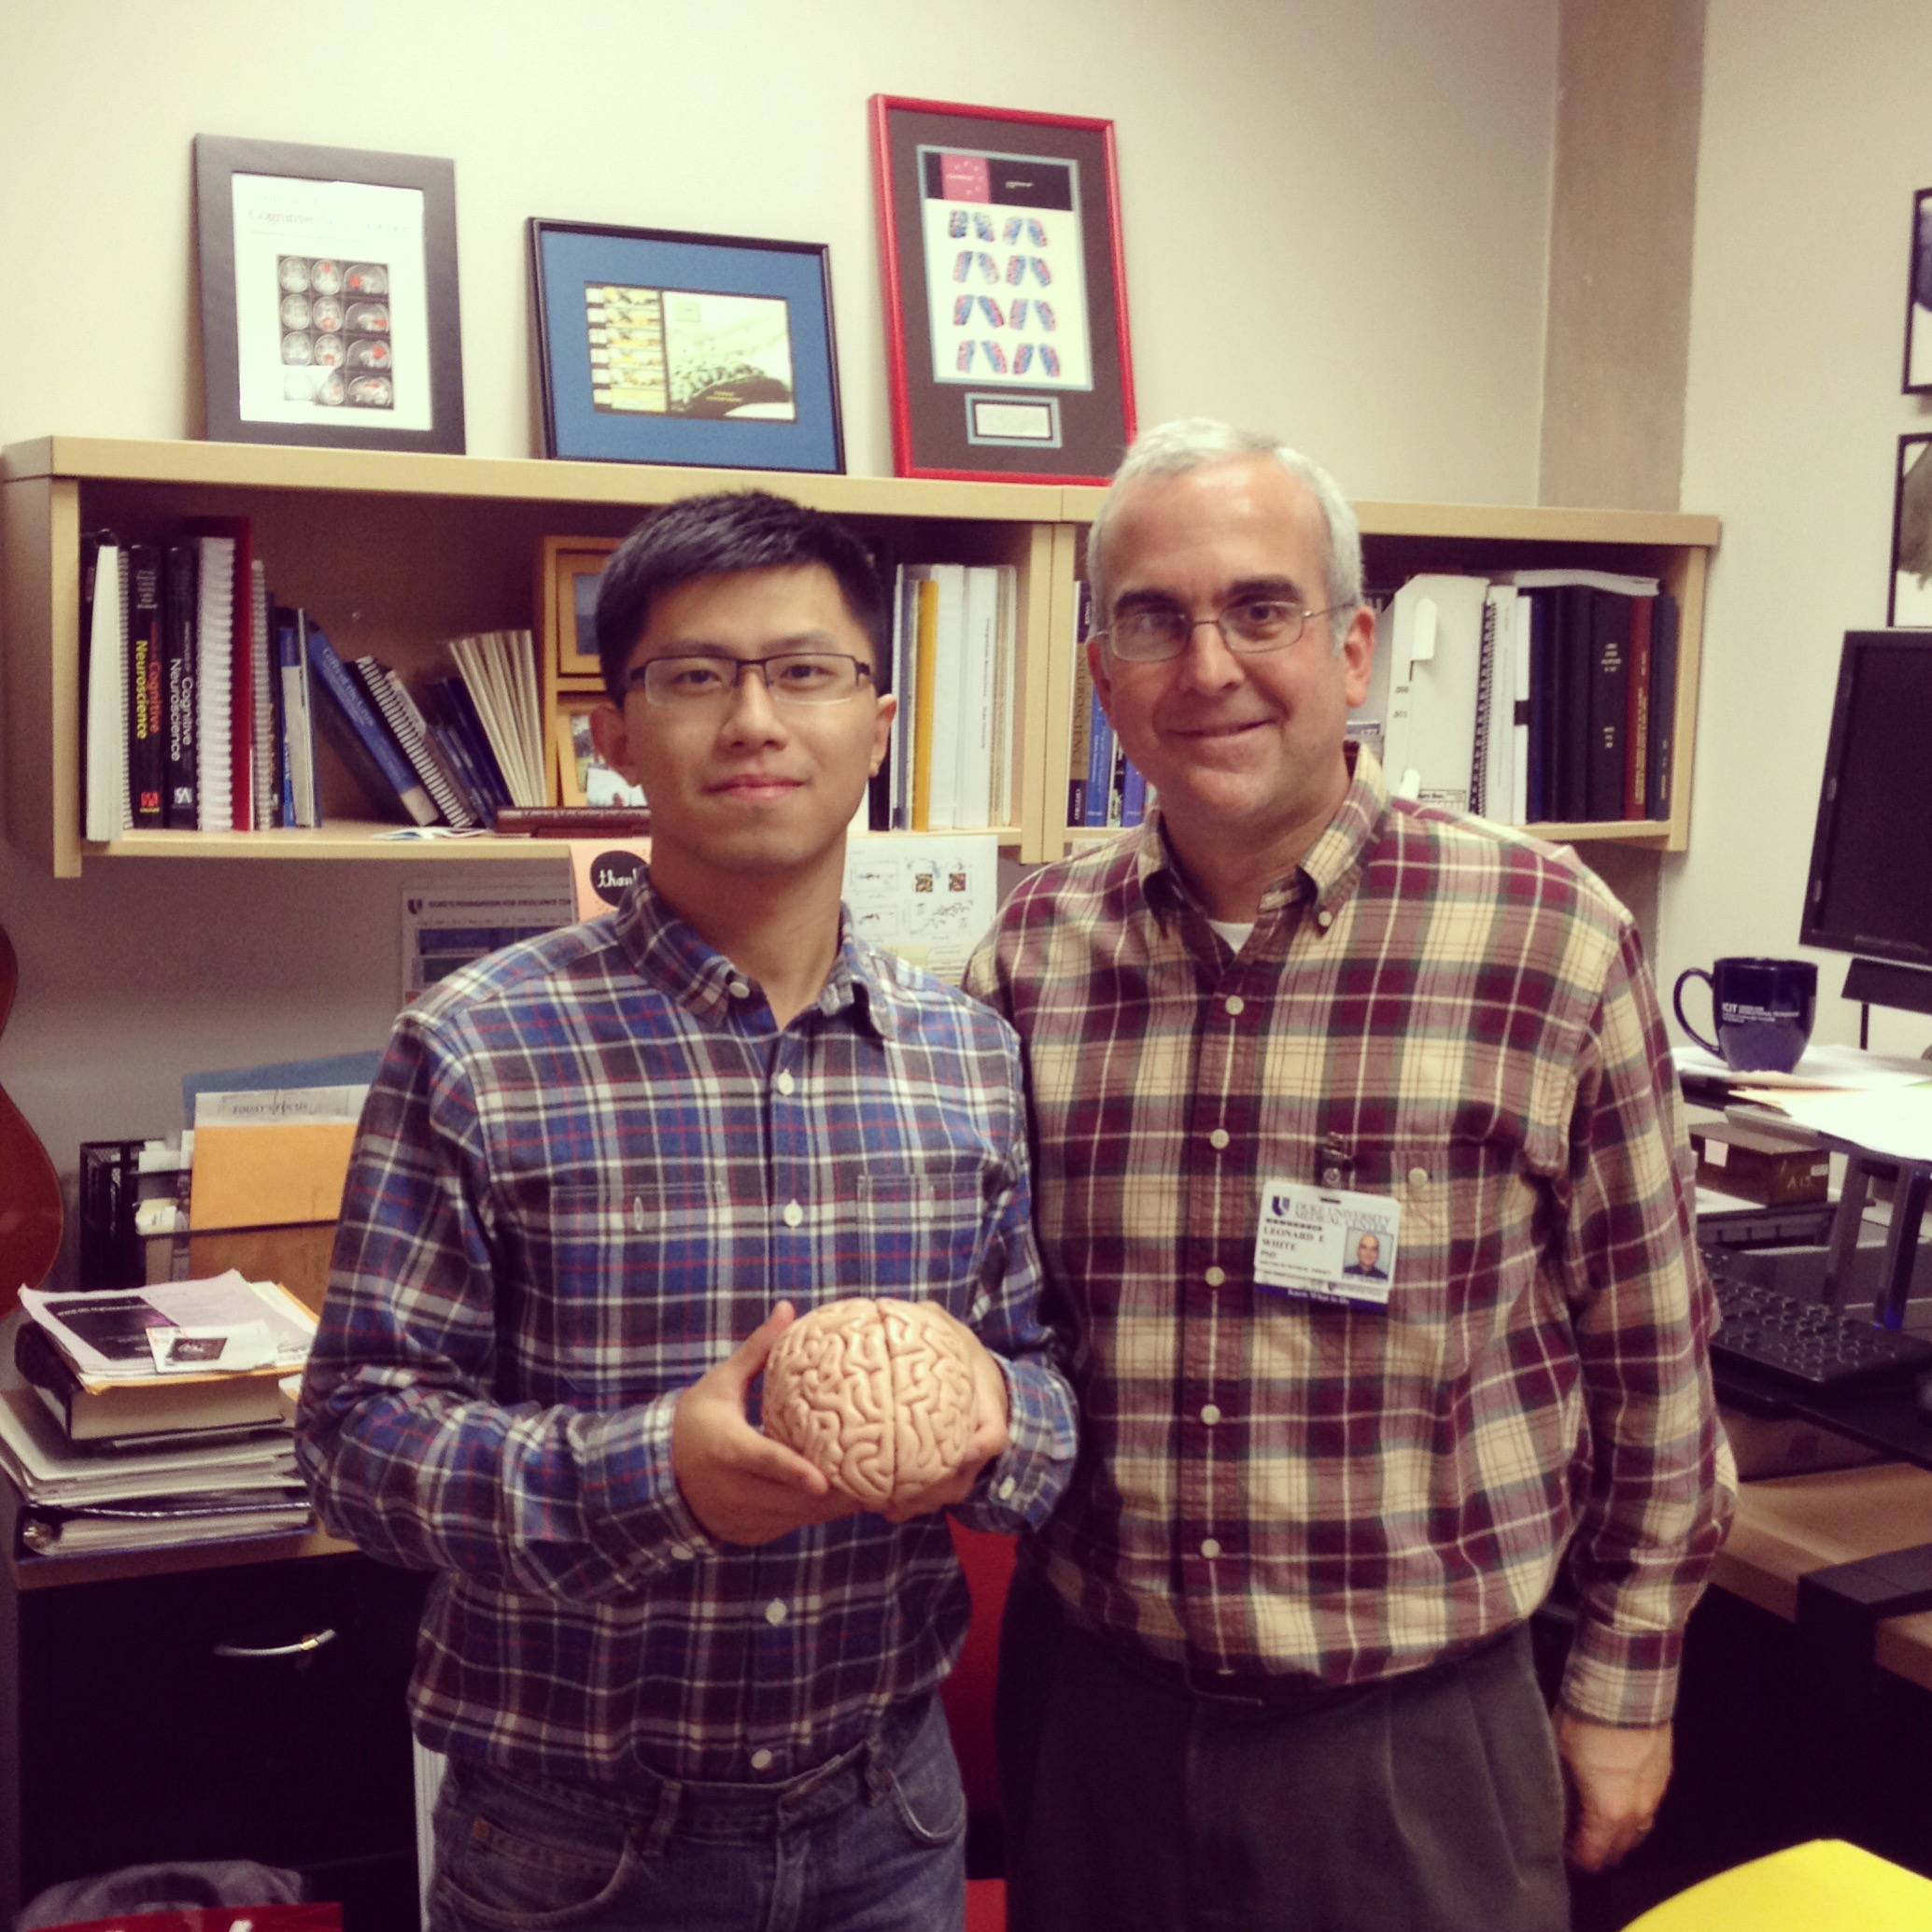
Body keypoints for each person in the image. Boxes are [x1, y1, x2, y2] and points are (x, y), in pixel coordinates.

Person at [965, 419, 1735, 1932]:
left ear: (1353, 647)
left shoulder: (1546, 935)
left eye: (1260, 608)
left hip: (1417, 1749)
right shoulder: (1030, 958)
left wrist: (1626, 1683)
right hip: (1099, 1728)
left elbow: (1654, 1364)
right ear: (1101, 670)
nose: (1208, 667)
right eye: (1153, 620)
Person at [298, 488, 1077, 1932]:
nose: (755, 720)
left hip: (889, 1821)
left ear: (878, 723)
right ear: (613, 732)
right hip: (572, 1848)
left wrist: (992, 1425)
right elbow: (355, 1443)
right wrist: (655, 1474)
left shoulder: (969, 1056)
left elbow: (1041, 1384)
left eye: (805, 671)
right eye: (697, 675)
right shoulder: (474, 1044)